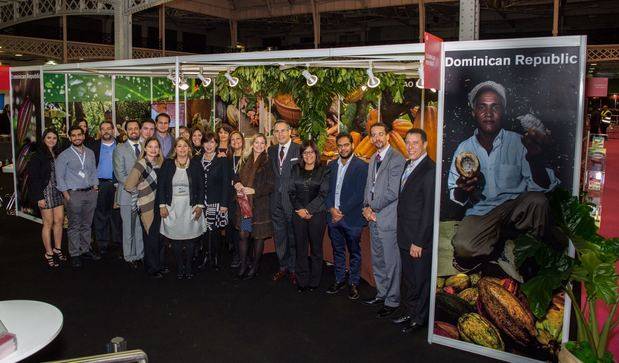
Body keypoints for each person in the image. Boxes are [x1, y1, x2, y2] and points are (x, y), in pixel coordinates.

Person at [448, 81, 559, 280]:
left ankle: (519, 249)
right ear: (474, 112)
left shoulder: (519, 142)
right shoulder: (464, 149)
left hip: (515, 209)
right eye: (482, 107)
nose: (488, 113)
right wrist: (463, 189)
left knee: (539, 201)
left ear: (503, 112)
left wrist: (535, 159)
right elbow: (454, 194)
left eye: (495, 107)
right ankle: (501, 248)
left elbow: (543, 187)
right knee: (464, 246)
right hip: (482, 212)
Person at [393, 128, 435, 333]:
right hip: (404, 234)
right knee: (409, 278)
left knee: (420, 280)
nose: (410, 147)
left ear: (425, 144)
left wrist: (419, 241)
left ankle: (419, 319)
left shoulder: (430, 170)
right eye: (407, 142)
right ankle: (410, 311)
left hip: (418, 239)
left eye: (415, 143)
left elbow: (428, 211)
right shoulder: (408, 165)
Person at [362, 122, 405, 318]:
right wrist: (365, 207)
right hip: (372, 218)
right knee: (378, 260)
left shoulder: (397, 159)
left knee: (391, 262)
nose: (377, 138)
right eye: (374, 135)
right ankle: (382, 293)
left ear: (388, 136)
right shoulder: (372, 158)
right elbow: (368, 187)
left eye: (381, 134)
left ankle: (393, 300)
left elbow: (392, 191)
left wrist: (373, 208)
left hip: (387, 219)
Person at [325, 133, 368, 300]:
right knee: (338, 251)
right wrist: (331, 209)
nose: (343, 148)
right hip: (333, 217)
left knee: (354, 252)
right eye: (340, 145)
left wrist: (340, 211)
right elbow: (326, 190)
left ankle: (353, 283)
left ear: (352, 145)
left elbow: (359, 194)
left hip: (351, 219)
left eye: (346, 145)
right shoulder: (331, 166)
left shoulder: (362, 166)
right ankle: (339, 279)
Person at [158, 137, 205, 280]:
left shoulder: (196, 164)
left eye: (185, 146)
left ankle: (189, 266)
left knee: (190, 239)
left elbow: (201, 186)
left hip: (191, 205)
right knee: (176, 239)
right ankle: (180, 266)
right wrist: (161, 205)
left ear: (189, 149)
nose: (182, 149)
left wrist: (200, 206)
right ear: (175, 149)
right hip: (172, 206)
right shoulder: (167, 164)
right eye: (179, 146)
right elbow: (161, 186)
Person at [55, 125, 100, 268]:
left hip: (90, 193)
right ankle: (75, 253)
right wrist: (66, 195)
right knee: (74, 225)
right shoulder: (64, 156)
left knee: (87, 224)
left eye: (79, 134)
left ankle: (85, 249)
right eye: (73, 135)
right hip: (73, 194)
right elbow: (59, 177)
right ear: (69, 138)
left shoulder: (90, 152)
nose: (77, 137)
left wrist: (95, 187)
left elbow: (93, 171)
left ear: (83, 135)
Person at [289, 140, 330, 292]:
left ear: (316, 153)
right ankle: (302, 281)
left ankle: (314, 281)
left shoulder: (324, 170)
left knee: (316, 249)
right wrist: (300, 210)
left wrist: (309, 210)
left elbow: (323, 193)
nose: (308, 155)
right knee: (300, 248)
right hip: (298, 214)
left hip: (317, 215)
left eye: (311, 152)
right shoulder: (295, 169)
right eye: (305, 152)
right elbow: (291, 192)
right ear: (301, 155)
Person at [234, 133, 274, 280]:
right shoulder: (245, 159)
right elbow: (236, 175)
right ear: (252, 144)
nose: (259, 145)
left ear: (265, 145)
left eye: (262, 143)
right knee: (244, 235)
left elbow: (271, 185)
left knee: (258, 237)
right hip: (245, 206)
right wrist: (237, 183)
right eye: (256, 142)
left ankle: (255, 267)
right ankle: (244, 265)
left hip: (260, 206)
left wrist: (255, 191)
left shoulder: (268, 162)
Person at [125, 137, 166, 279]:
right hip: (147, 205)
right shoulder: (140, 164)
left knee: (161, 237)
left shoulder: (161, 163)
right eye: (150, 147)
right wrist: (141, 191)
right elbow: (128, 185)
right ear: (145, 148)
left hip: (160, 204)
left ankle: (160, 265)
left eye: (156, 147)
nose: (153, 149)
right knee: (151, 238)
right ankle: (152, 268)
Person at [268, 120, 300, 283]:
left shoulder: (299, 150)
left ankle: (294, 269)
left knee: (293, 235)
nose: (279, 134)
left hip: (292, 201)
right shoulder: (271, 150)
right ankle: (283, 266)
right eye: (276, 131)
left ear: (289, 132)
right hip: (275, 201)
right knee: (279, 235)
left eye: (283, 131)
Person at [28, 128, 66, 267]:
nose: (51, 140)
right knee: (48, 223)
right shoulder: (37, 156)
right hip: (44, 192)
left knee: (60, 220)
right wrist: (39, 197)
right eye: (48, 137)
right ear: (44, 139)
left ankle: (58, 248)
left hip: (57, 191)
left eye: (54, 138)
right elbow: (34, 178)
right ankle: (49, 252)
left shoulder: (58, 154)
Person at [113, 120, 145, 269]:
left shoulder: (146, 146)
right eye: (130, 129)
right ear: (125, 131)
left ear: (139, 130)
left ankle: (140, 254)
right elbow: (120, 174)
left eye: (136, 128)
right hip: (127, 194)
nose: (133, 131)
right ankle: (129, 256)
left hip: (145, 195)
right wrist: (136, 186)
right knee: (128, 227)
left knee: (139, 226)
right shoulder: (119, 149)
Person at [197, 132, 230, 271]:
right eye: (206, 142)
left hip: (215, 202)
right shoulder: (196, 159)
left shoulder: (222, 160)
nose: (209, 145)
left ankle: (215, 257)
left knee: (214, 231)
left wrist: (224, 204)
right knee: (203, 231)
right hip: (200, 202)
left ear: (216, 144)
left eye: (212, 142)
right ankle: (205, 256)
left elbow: (226, 183)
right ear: (202, 143)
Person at [90, 121, 121, 255]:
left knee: (116, 215)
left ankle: (117, 243)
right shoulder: (93, 146)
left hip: (117, 185)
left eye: (109, 128)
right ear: (100, 131)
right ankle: (102, 244)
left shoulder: (121, 145)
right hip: (100, 185)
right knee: (100, 215)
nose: (106, 131)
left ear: (113, 130)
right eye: (103, 129)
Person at [227, 130, 245, 268]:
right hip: (231, 198)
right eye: (232, 140)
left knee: (244, 229)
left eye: (238, 139)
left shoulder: (248, 157)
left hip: (244, 198)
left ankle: (245, 256)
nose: (235, 142)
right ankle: (236, 256)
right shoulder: (227, 158)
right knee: (234, 227)